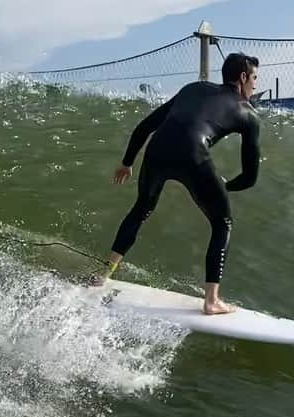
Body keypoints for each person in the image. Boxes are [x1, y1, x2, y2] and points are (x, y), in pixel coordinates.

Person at [93, 52, 261, 315]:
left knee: (141, 209)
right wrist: (223, 187)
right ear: (242, 77)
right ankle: (212, 301)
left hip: (157, 149)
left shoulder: (194, 88)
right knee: (222, 223)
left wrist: (127, 163)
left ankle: (102, 275)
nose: (254, 85)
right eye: (254, 78)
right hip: (194, 153)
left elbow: (146, 125)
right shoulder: (248, 114)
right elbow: (250, 177)